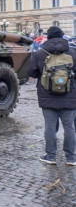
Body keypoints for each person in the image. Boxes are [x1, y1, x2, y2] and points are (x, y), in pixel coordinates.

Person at [28, 26, 76, 166]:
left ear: (48, 37)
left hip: (47, 96)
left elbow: (31, 72)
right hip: (70, 96)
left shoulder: (39, 53)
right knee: (69, 127)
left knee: (49, 127)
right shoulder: (73, 52)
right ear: (62, 36)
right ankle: (71, 157)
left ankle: (51, 156)